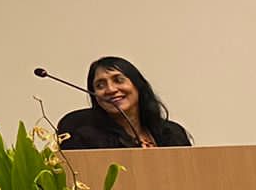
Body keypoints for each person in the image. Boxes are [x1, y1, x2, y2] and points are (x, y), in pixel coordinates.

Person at [57, 57, 191, 149]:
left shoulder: (172, 133)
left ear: (138, 86)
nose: (110, 89)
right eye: (100, 85)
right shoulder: (83, 135)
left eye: (118, 80)